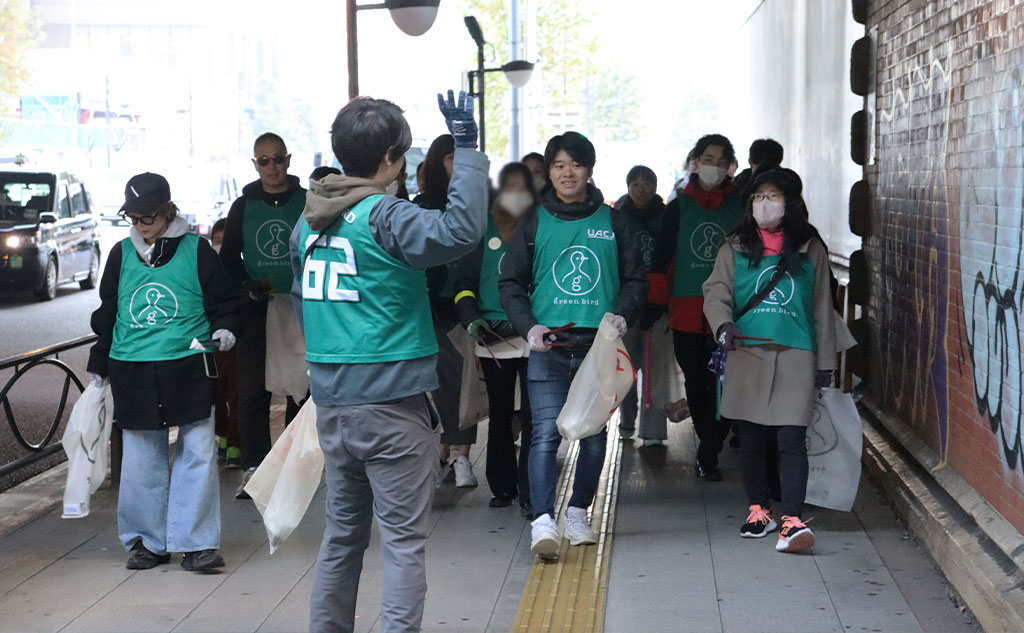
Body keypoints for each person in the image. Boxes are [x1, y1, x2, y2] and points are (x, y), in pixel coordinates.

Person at [292, 91, 488, 633]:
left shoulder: (307, 223)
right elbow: (460, 231)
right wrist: (468, 151)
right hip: (394, 405)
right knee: (402, 542)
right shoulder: (386, 216)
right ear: (389, 159)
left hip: (334, 406)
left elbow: (303, 304)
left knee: (342, 537)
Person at [86, 173, 245, 572]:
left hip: (189, 364)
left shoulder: (197, 250)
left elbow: (227, 299)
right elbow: (108, 313)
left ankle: (197, 543)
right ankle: (147, 542)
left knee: (198, 452)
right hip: (133, 366)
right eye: (133, 218)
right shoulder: (121, 254)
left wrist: (225, 328)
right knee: (141, 457)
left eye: (149, 217)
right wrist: (99, 366)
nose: (141, 225)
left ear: (168, 212)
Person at [500, 132, 647, 560]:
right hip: (549, 348)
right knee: (544, 436)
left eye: (576, 164)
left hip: (598, 349)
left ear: (590, 170)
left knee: (595, 437)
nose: (568, 173)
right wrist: (528, 327)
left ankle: (578, 512)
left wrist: (623, 313)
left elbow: (636, 278)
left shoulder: (614, 221)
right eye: (560, 165)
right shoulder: (532, 221)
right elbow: (510, 282)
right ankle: (543, 521)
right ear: (549, 171)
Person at [702, 167, 836, 552]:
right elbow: (716, 292)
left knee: (792, 438)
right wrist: (723, 326)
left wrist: (826, 364)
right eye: (758, 197)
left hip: (797, 353)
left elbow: (822, 308)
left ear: (790, 202)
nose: (765, 204)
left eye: (773, 196)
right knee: (753, 438)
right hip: (748, 353)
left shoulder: (810, 248)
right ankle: (759, 510)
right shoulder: (734, 247)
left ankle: (791, 520)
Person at [645, 134, 745, 481]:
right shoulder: (678, 208)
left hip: (731, 312)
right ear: (695, 161)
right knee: (698, 381)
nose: (714, 166)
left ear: (730, 166)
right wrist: (654, 301)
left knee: (727, 381)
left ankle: (712, 444)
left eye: (721, 161)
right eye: (708, 159)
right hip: (687, 312)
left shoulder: (741, 207)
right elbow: (663, 258)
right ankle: (707, 440)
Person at [220, 132, 308, 498]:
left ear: (288, 160)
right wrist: (247, 286)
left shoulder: (307, 202)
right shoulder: (243, 206)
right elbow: (228, 258)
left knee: (300, 390)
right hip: (256, 311)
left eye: (278, 159)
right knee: (253, 390)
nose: (272, 167)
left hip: (301, 309)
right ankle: (254, 467)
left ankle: (294, 466)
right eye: (263, 160)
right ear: (255, 164)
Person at [455, 161, 538, 515]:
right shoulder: (481, 232)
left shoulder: (541, 228)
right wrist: (471, 318)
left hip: (534, 335)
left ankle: (532, 491)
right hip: (493, 339)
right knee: (500, 415)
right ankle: (502, 487)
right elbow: (463, 284)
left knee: (535, 418)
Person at [417, 133, 478, 488]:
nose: (457, 166)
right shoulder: (419, 207)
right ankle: (439, 452)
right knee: (431, 387)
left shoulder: (473, 204)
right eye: (451, 158)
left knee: (463, 384)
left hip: (464, 308)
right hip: (426, 309)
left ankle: (463, 455)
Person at [613, 165, 669, 446]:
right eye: (635, 183)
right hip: (628, 306)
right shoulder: (618, 219)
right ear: (628, 187)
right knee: (626, 367)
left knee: (656, 368)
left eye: (647, 182)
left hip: (660, 306)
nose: (641, 188)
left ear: (656, 187)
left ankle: (654, 431)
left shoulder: (667, 217)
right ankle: (626, 419)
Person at [210, 218, 241, 468]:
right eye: (217, 241)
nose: (220, 246)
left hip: (239, 337)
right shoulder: (207, 269)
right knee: (217, 392)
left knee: (237, 392)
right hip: (214, 339)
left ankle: (234, 442)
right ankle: (222, 434)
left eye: (224, 241)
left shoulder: (242, 268)